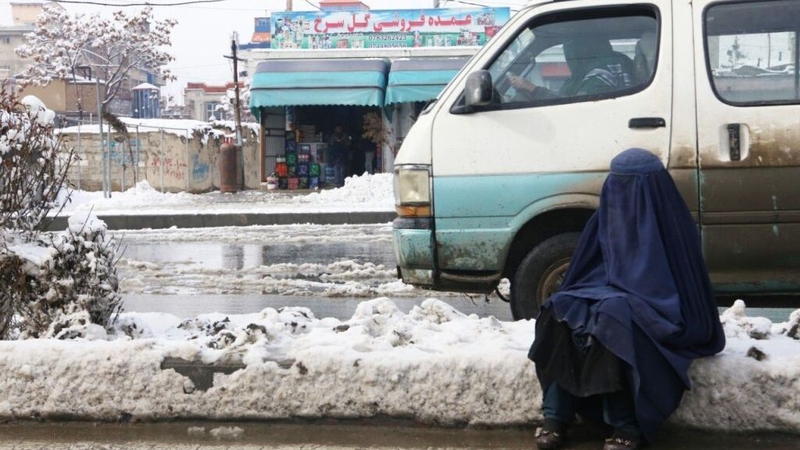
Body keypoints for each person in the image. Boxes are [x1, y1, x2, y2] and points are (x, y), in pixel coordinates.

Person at [528, 148, 726, 450]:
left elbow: (678, 289)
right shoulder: (606, 217)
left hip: (661, 310)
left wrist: (616, 296)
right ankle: (556, 416)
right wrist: (594, 293)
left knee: (612, 316)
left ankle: (626, 423)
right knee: (561, 308)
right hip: (608, 292)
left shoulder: (669, 223)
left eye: (632, 187)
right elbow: (586, 270)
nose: (623, 196)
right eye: (618, 185)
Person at [509, 37, 635, 99]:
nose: (569, 58)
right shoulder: (618, 60)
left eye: (570, 49)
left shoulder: (600, 72)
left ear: (583, 49)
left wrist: (532, 88)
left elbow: (576, 104)